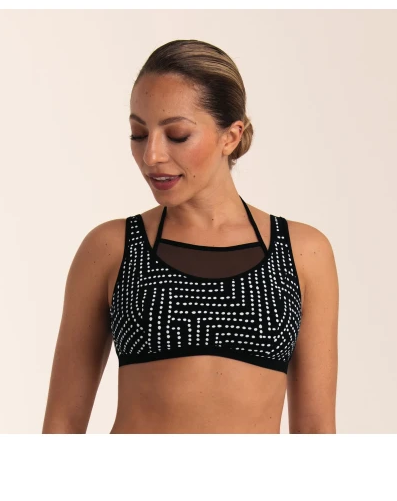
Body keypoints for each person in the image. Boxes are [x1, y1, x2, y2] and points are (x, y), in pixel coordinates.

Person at [42, 39, 339, 434]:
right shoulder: (112, 248)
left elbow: (316, 430)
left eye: (178, 135)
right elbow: (62, 424)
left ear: (231, 136)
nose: (151, 155)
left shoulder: (303, 252)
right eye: (138, 134)